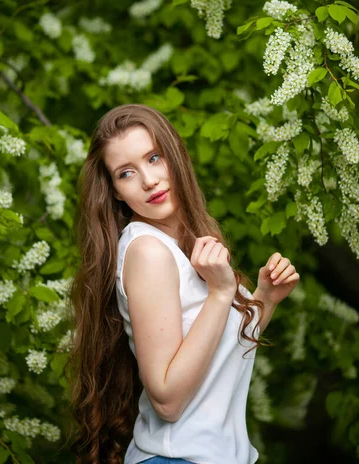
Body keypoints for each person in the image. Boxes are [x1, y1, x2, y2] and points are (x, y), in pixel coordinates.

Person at [67, 103, 300, 464]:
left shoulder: (184, 244)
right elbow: (168, 400)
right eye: (126, 173)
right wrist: (222, 293)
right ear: (114, 191)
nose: (148, 180)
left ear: (175, 156)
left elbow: (215, 355)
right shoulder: (148, 251)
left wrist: (264, 299)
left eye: (154, 157)